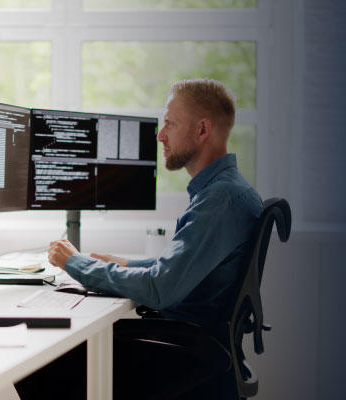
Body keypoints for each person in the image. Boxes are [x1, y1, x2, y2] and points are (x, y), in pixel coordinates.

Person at [43, 79, 265, 399]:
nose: (160, 135)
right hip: (191, 346)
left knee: (51, 361)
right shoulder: (224, 191)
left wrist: (73, 262)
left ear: (202, 130)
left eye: (170, 123)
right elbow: (184, 268)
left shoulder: (220, 200)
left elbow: (160, 288)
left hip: (184, 354)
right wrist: (126, 263)